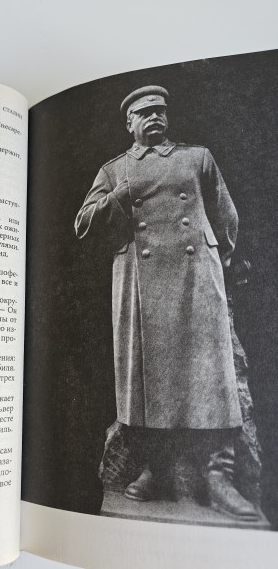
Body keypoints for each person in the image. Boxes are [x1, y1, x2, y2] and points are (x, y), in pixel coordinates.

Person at [75, 86, 258, 520]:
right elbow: (83, 224)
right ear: (129, 123)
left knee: (211, 374)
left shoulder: (198, 158)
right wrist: (119, 195)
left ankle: (219, 476)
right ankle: (155, 468)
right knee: (148, 376)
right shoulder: (114, 170)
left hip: (197, 278)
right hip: (141, 282)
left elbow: (226, 216)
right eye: (145, 113)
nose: (155, 117)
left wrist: (219, 263)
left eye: (160, 111)